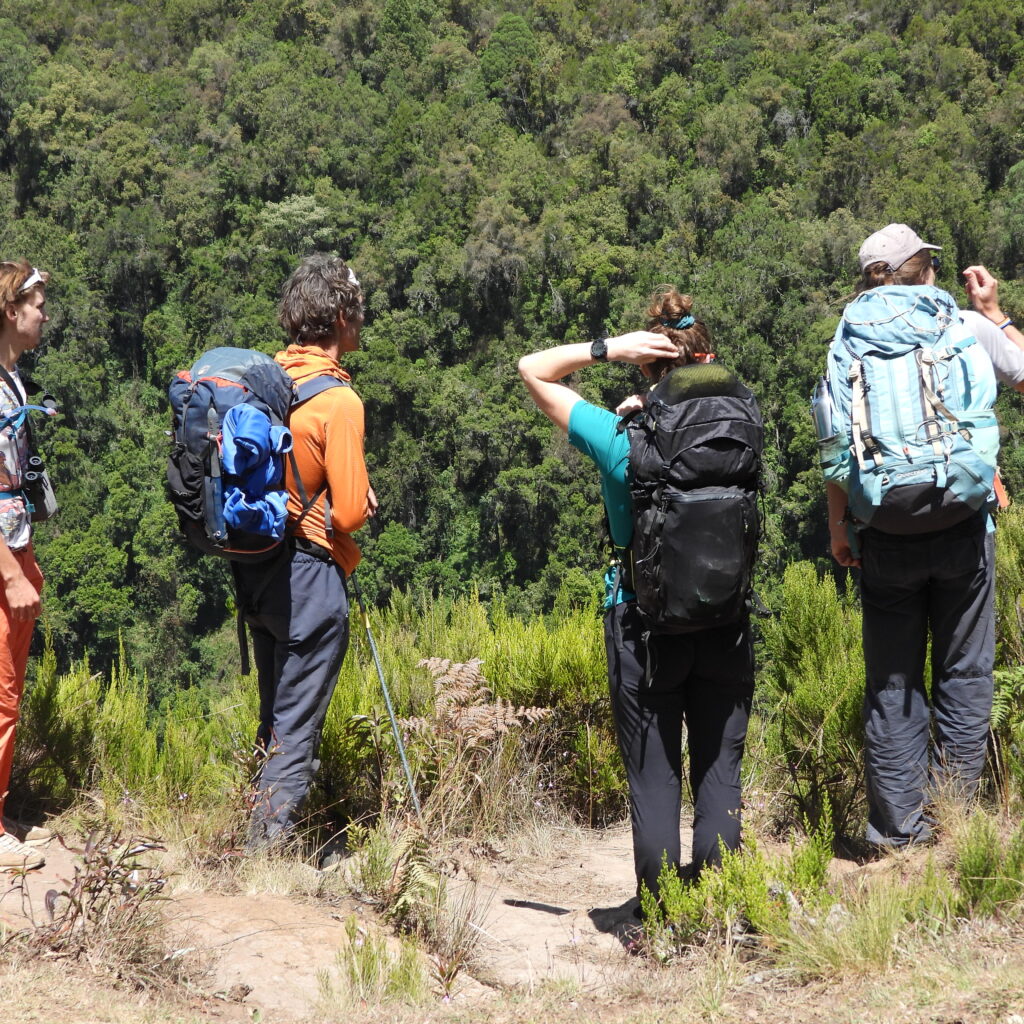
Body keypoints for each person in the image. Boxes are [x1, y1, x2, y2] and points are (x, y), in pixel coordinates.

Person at [518, 290, 756, 907]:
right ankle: (718, 906)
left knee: (654, 778)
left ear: (645, 365)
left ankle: (659, 913)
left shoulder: (623, 437)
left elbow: (533, 367)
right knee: (718, 774)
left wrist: (608, 350)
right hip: (726, 619)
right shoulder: (740, 428)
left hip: (641, 623)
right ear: (706, 356)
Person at [820, 224, 1024, 848]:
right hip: (961, 520)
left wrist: (839, 527)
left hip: (884, 526)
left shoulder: (845, 340)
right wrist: (997, 311)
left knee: (892, 680)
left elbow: (833, 450)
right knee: (964, 672)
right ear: (922, 270)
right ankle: (954, 823)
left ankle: (896, 832)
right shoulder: (964, 325)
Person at [234, 254, 374, 848]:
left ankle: (255, 828)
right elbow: (346, 514)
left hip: (258, 570)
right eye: (358, 311)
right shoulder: (339, 402)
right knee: (296, 727)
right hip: (311, 580)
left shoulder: (268, 383)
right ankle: (263, 856)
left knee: (275, 716)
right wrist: (362, 502)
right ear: (342, 316)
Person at [0, 260, 53, 871]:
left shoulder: (12, 381)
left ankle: (4, 810)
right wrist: (11, 574)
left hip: (18, 544)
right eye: (37, 303)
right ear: (11, 311)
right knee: (0, 690)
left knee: (10, 684)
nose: (44, 314)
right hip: (3, 558)